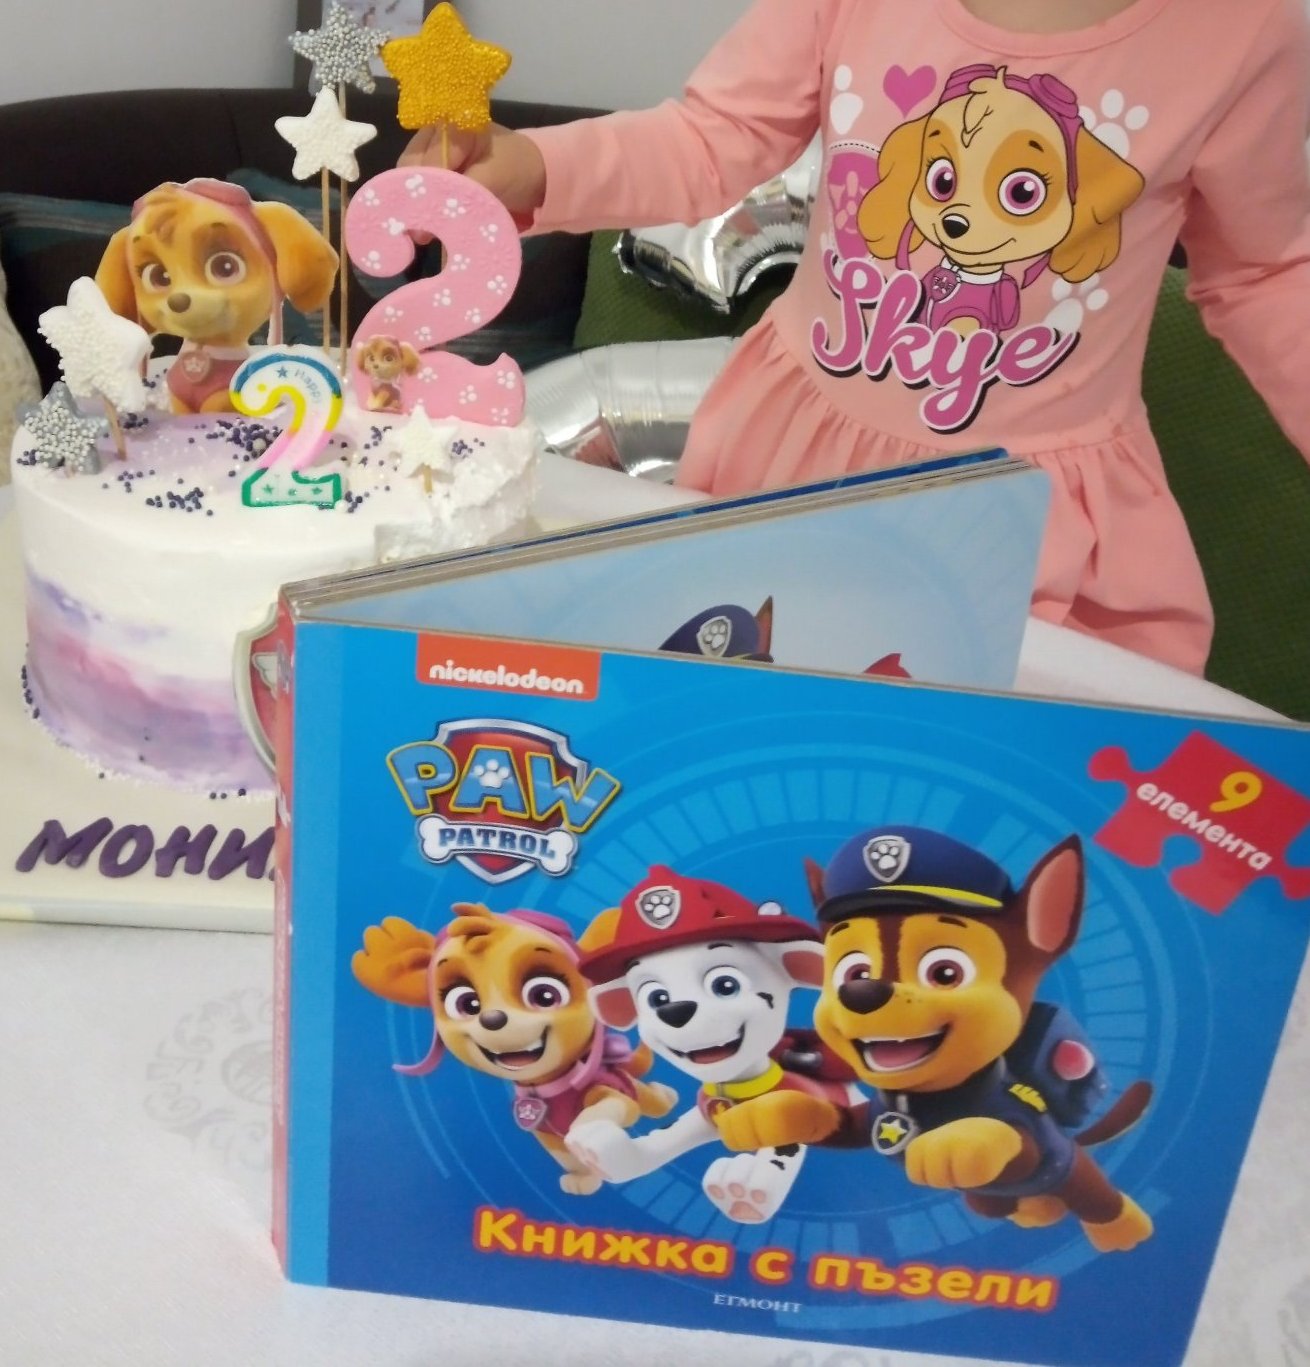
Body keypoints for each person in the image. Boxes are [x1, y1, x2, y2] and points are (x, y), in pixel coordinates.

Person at [401, 0, 1310, 675]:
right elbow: (716, 137)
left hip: (1046, 530)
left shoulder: (1244, 33)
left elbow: (1267, 271)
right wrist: (539, 165)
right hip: (790, 469)